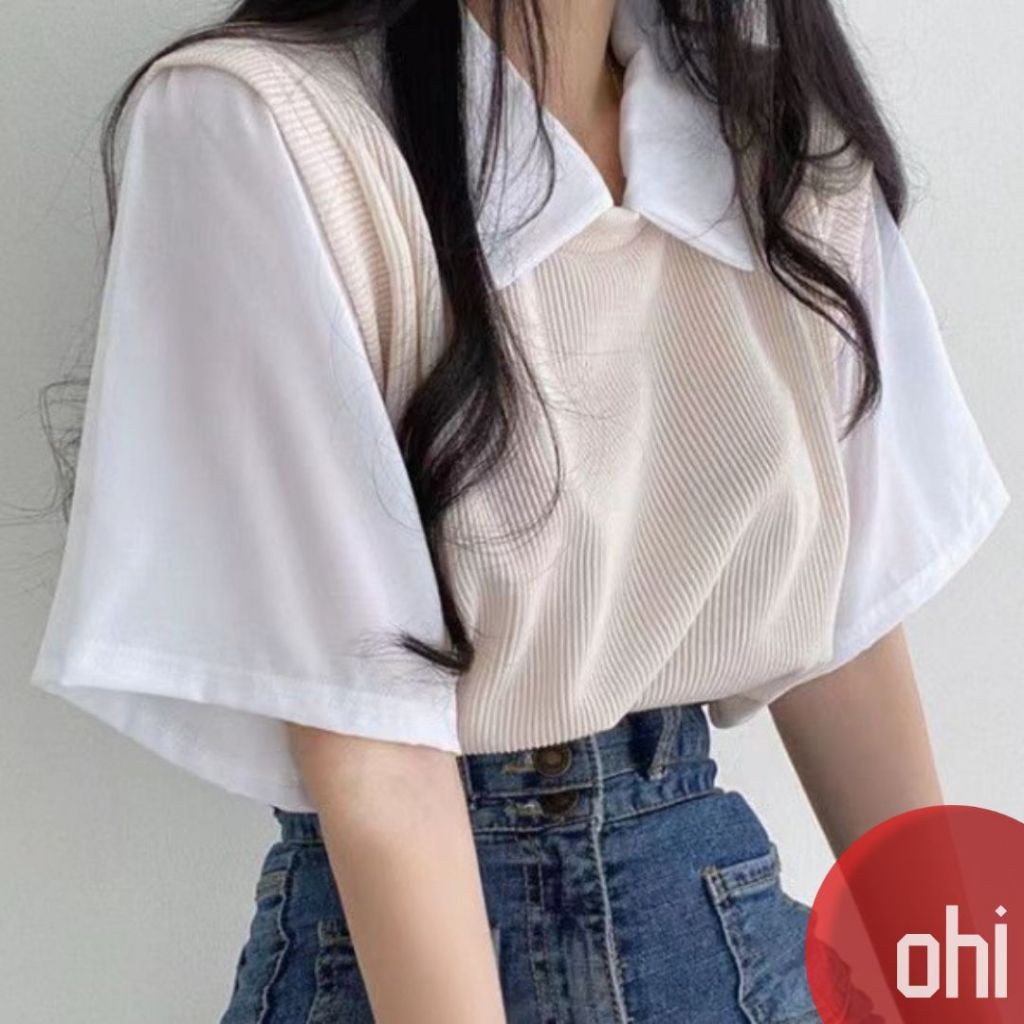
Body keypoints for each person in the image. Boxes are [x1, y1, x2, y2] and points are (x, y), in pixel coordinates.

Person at [29, 0, 1010, 1021]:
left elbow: (843, 627)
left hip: (722, 942)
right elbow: (374, 748)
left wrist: (962, 997)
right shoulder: (264, 122)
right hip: (403, 953)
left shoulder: (774, 128)